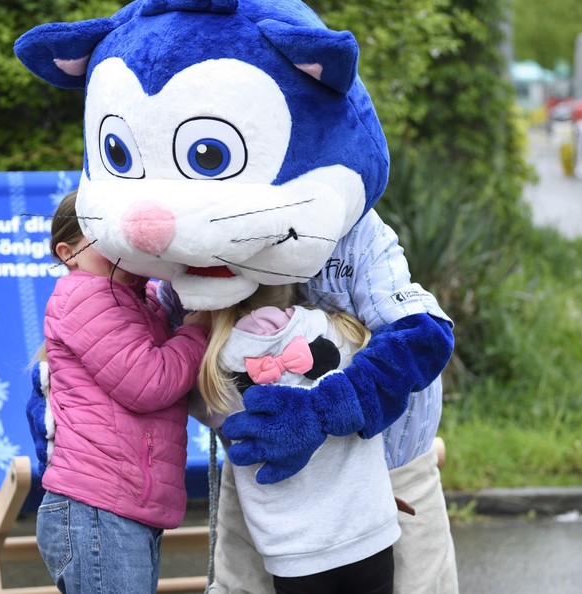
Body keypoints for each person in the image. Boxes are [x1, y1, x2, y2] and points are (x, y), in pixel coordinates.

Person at [161, 207, 459, 594]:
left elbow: (423, 336)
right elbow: (162, 365)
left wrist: (325, 409)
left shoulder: (351, 229)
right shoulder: (197, 228)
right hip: (263, 486)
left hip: (386, 475)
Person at [35, 190, 212, 594]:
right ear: (68, 253)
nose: (122, 252)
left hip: (120, 506)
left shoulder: (134, 299)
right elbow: (149, 382)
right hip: (98, 507)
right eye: (106, 241)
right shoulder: (86, 295)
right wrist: (199, 328)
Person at [196, 283, 400, 594]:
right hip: (367, 528)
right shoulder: (339, 331)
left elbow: (205, 411)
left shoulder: (216, 366)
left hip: (291, 550)